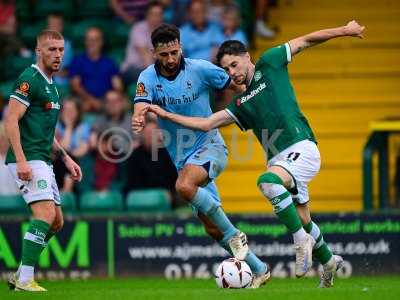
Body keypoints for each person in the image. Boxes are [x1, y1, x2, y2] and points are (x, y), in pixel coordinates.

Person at [145, 20, 365, 287]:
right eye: (226, 69)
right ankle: (329, 261)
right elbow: (206, 123)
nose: (231, 72)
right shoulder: (242, 104)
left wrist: (344, 30)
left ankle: (299, 242)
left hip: (301, 147)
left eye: (234, 65)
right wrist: (166, 114)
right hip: (279, 160)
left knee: (267, 183)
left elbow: (307, 39)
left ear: (247, 57)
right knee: (304, 218)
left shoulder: (270, 63)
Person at [132, 23, 270, 288]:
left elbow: (240, 88)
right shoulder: (147, 78)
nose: (171, 59)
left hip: (211, 147)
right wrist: (138, 117)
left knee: (183, 186)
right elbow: (140, 105)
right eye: (164, 55)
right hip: (183, 160)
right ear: (154, 53)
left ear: (180, 47)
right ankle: (259, 268)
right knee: (212, 228)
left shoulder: (201, 69)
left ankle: (236, 235)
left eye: (174, 52)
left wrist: (250, 113)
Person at [4, 30, 82, 292]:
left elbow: (46, 133)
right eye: (51, 49)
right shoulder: (30, 79)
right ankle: (25, 278)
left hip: (43, 159)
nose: (58, 54)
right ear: (39, 51)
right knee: (46, 214)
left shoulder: (52, 85)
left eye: (60, 49)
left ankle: (20, 274)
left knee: (56, 221)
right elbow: (11, 119)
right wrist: (23, 161)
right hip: (28, 159)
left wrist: (66, 157)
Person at [69, 27, 123, 112]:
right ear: (85, 41)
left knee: (122, 103)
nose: (91, 43)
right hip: (84, 99)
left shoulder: (109, 62)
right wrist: (92, 100)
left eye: (95, 40)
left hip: (105, 100)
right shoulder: (78, 60)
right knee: (78, 105)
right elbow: (76, 86)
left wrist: (110, 100)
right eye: (89, 40)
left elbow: (118, 86)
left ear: (101, 42)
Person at [121, 1, 164, 85]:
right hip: (133, 69)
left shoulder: (164, 30)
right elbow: (146, 57)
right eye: (153, 14)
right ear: (147, 15)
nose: (156, 17)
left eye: (159, 14)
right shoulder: (138, 28)